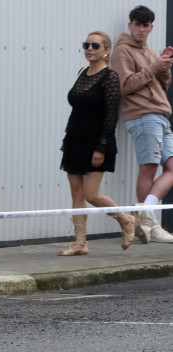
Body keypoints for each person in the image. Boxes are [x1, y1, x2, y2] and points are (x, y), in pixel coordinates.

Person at [58, 31, 137, 256]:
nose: (89, 49)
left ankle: (126, 219)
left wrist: (101, 147)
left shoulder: (110, 77)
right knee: (76, 193)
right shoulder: (83, 73)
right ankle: (80, 243)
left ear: (106, 50)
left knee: (91, 194)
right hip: (74, 139)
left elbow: (112, 114)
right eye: (86, 45)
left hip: (96, 142)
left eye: (95, 45)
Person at [112, 5, 173, 244]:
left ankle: (144, 211)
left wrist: (164, 66)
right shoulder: (122, 51)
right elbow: (125, 86)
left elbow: (160, 87)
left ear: (151, 28)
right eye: (136, 24)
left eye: (145, 25)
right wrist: (153, 67)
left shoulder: (148, 50)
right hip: (143, 115)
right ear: (130, 25)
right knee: (148, 168)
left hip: (160, 115)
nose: (140, 29)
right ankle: (149, 224)